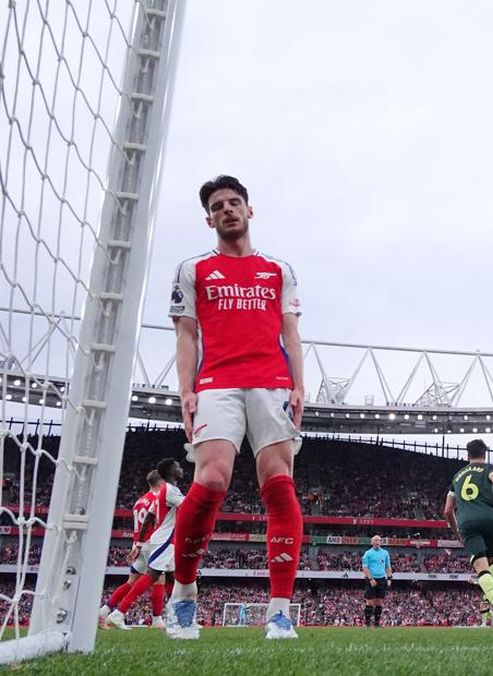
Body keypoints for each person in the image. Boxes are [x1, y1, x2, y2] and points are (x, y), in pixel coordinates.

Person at [168, 174, 305, 640]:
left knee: (280, 484)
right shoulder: (193, 269)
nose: (227, 209)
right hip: (217, 382)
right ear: (209, 220)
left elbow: (291, 332)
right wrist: (185, 390)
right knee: (211, 478)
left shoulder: (279, 269)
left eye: (233, 202)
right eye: (217, 206)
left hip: (272, 383)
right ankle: (184, 595)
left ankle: (280, 611)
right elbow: (186, 334)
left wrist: (299, 386)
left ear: (249, 210)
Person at [442, 439, 493, 620]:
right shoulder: (489, 468)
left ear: (467, 455)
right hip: (489, 519)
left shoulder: (457, 477)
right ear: (485, 454)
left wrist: (457, 532)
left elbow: (447, 510)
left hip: (467, 523)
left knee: (482, 568)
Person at [107, 459, 185, 630]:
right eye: (178, 467)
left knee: (170, 577)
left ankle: (178, 618)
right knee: (153, 576)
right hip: (164, 540)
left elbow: (149, 518)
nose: (181, 469)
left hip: (159, 540)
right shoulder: (170, 491)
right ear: (169, 472)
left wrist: (139, 543)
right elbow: (189, 506)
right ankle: (119, 613)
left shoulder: (159, 493)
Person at [100, 469, 163, 627]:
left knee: (132, 581)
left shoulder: (139, 501)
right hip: (151, 543)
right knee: (159, 580)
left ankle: (104, 611)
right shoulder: (157, 500)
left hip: (138, 545)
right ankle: (156, 620)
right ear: (160, 482)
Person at [361, 535, 392, 627]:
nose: (377, 542)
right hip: (371, 579)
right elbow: (365, 567)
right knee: (370, 602)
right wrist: (370, 579)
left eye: (379, 540)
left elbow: (387, 566)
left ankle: (377, 624)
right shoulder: (368, 553)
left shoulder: (385, 553)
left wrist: (389, 578)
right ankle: (367, 623)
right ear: (372, 542)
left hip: (382, 579)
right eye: (375, 540)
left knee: (379, 602)